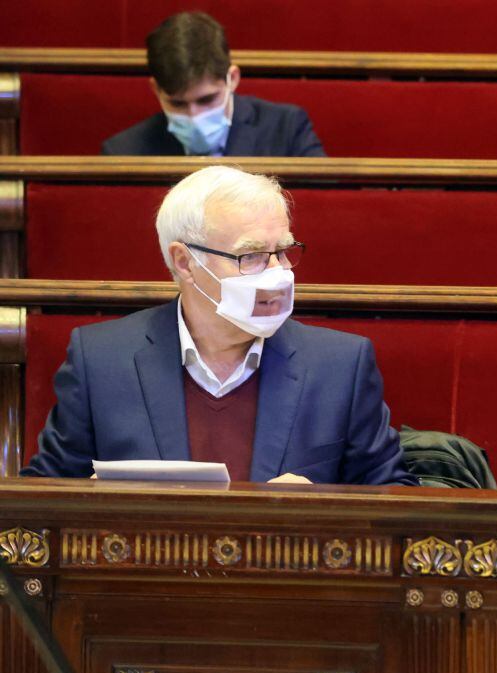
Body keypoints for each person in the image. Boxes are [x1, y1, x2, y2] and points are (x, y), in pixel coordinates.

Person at [22, 166, 412, 486]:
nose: (278, 274)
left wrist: (319, 512)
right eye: (252, 256)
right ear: (185, 262)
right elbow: (43, 497)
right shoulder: (101, 360)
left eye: (284, 252)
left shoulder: (341, 365)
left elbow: (396, 498)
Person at [101, 12, 325, 157]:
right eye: (178, 104)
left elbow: (325, 212)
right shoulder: (124, 153)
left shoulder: (287, 129)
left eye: (206, 99)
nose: (194, 116)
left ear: (232, 79)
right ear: (156, 90)